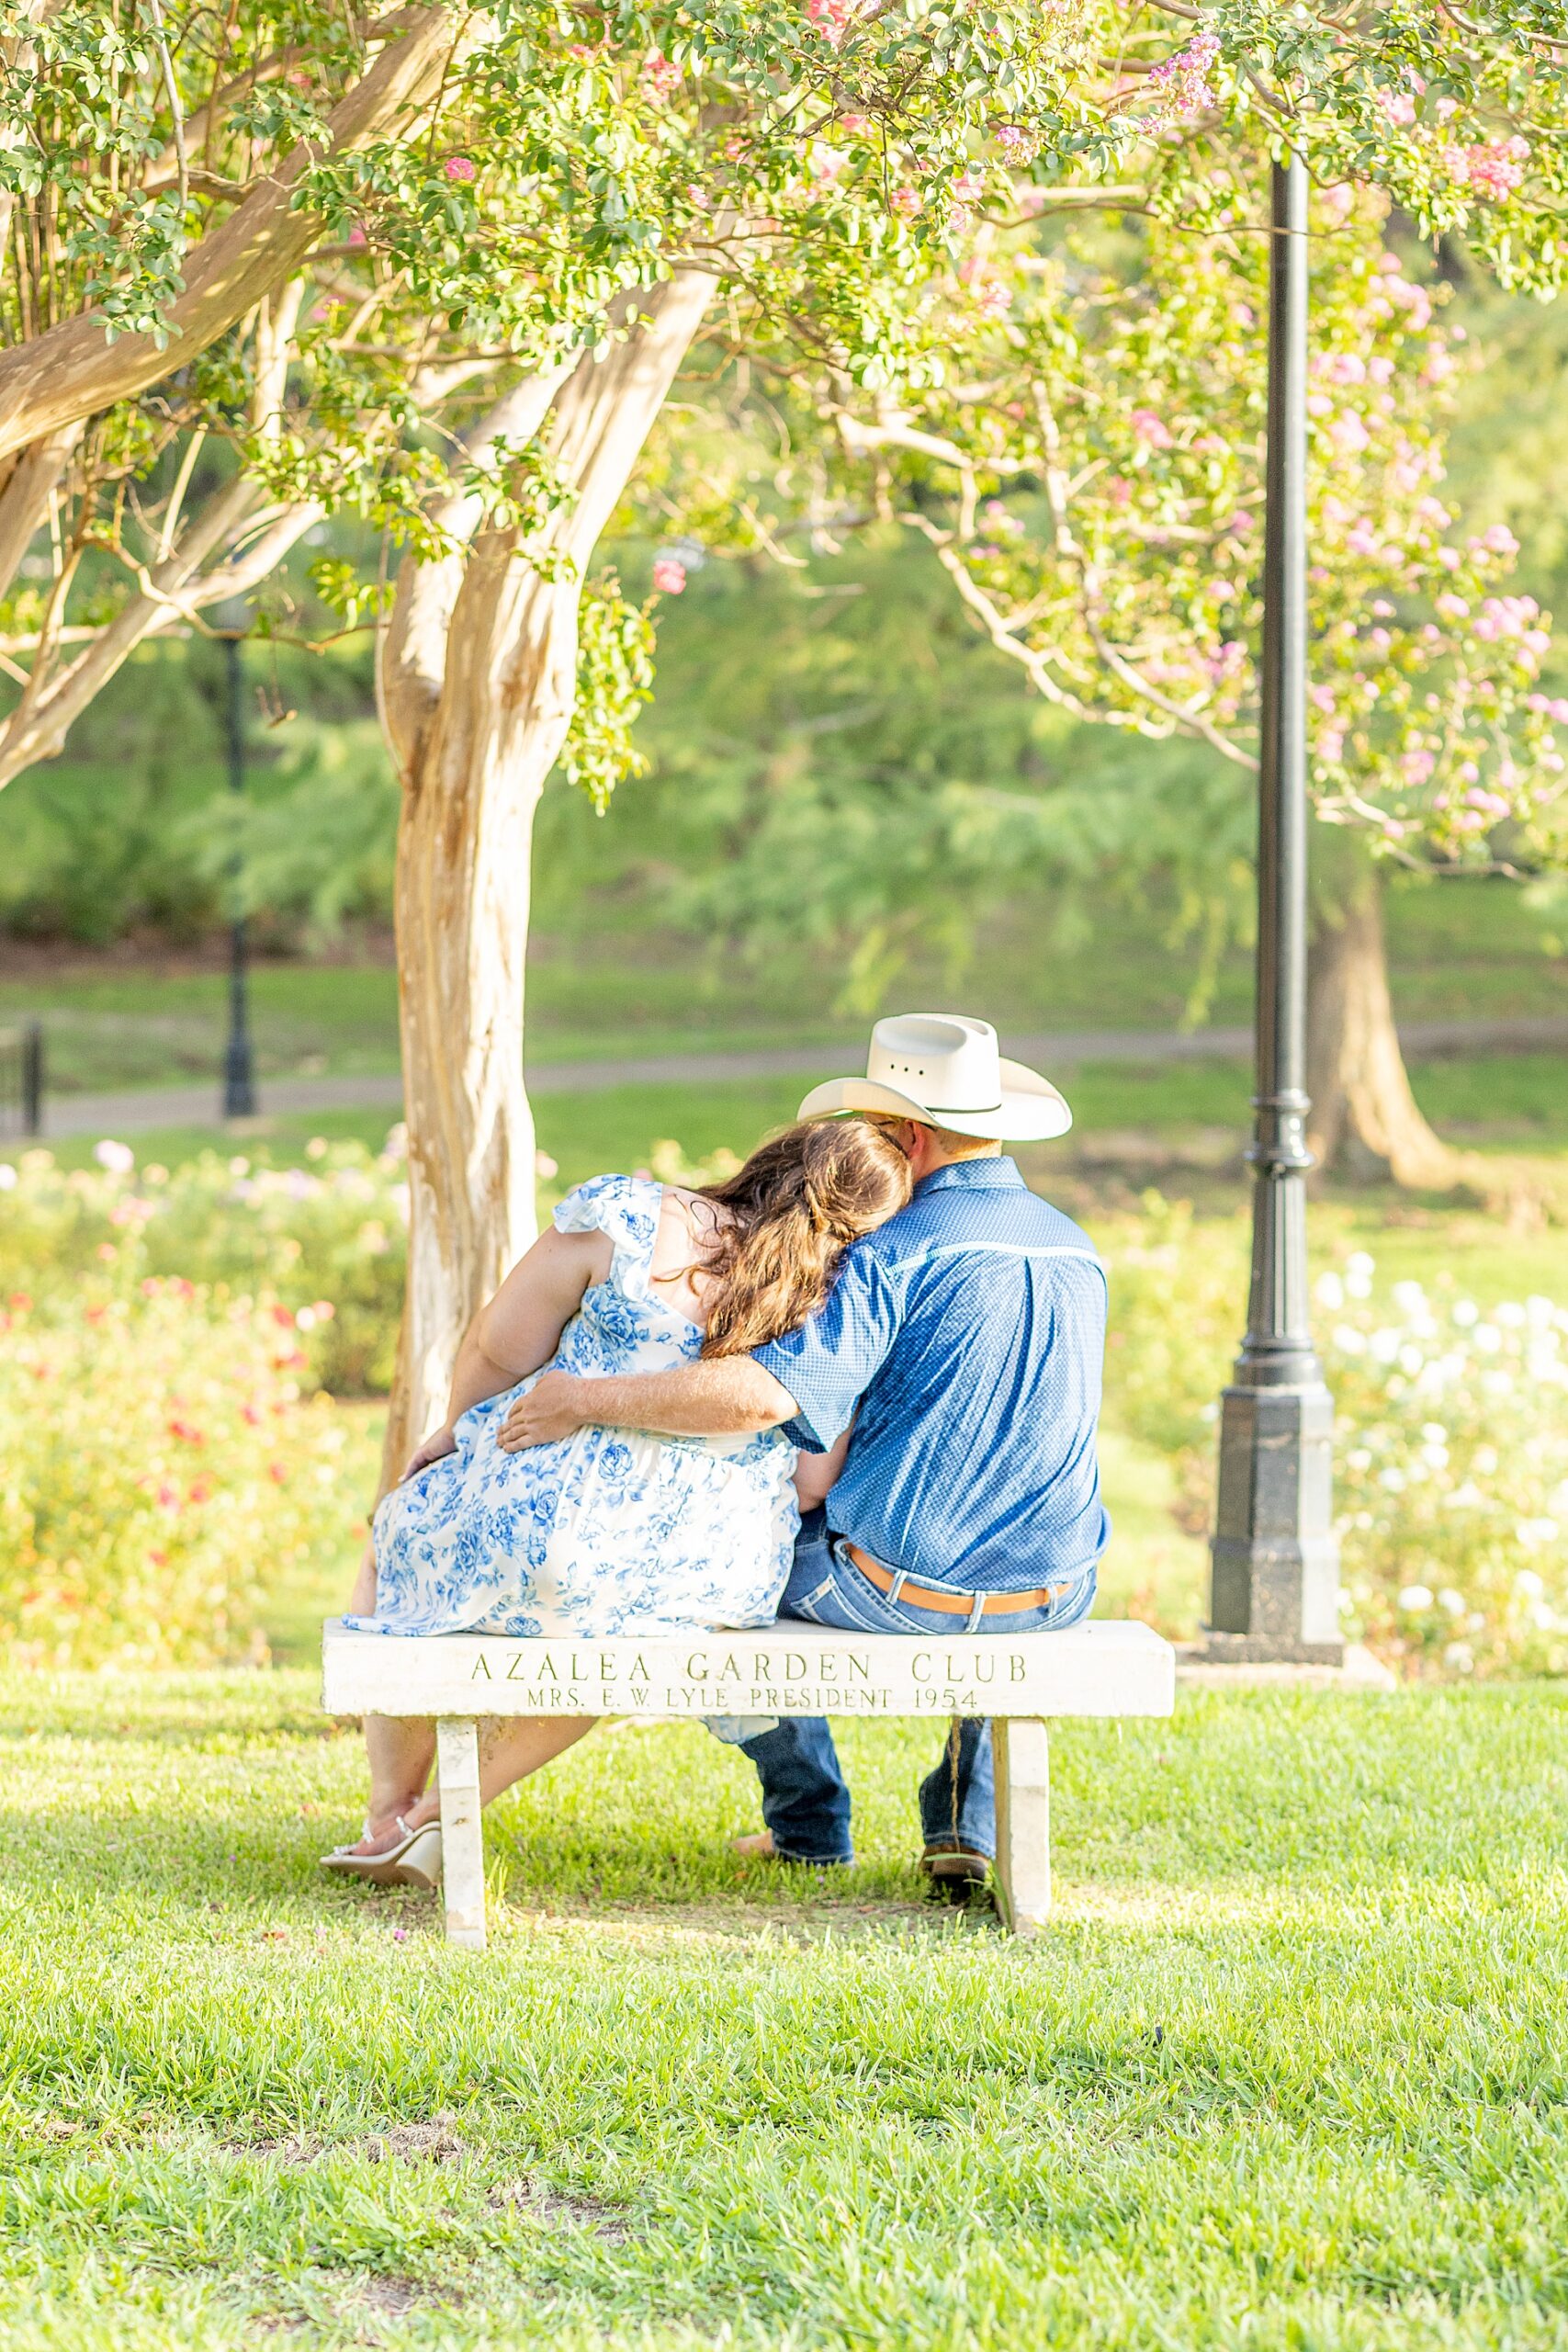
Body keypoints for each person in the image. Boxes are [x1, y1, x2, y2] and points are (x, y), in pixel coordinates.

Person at [504, 1012, 1109, 1896]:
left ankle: (809, 1821)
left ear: (906, 1135)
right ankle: (961, 1823)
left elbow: (762, 1395)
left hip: (897, 1593)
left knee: (713, 1573)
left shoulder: (894, 1253)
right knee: (999, 1514)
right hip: (1055, 1590)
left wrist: (582, 1401)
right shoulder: (1075, 1245)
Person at [322, 1115, 912, 1888]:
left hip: (544, 1517)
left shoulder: (630, 1217)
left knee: (404, 1536)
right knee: (600, 1643)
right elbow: (812, 1483)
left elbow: (500, 1349)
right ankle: (442, 1812)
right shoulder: (836, 1308)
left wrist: (458, 1433)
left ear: (775, 1155)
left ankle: (389, 1812)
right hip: (709, 1569)